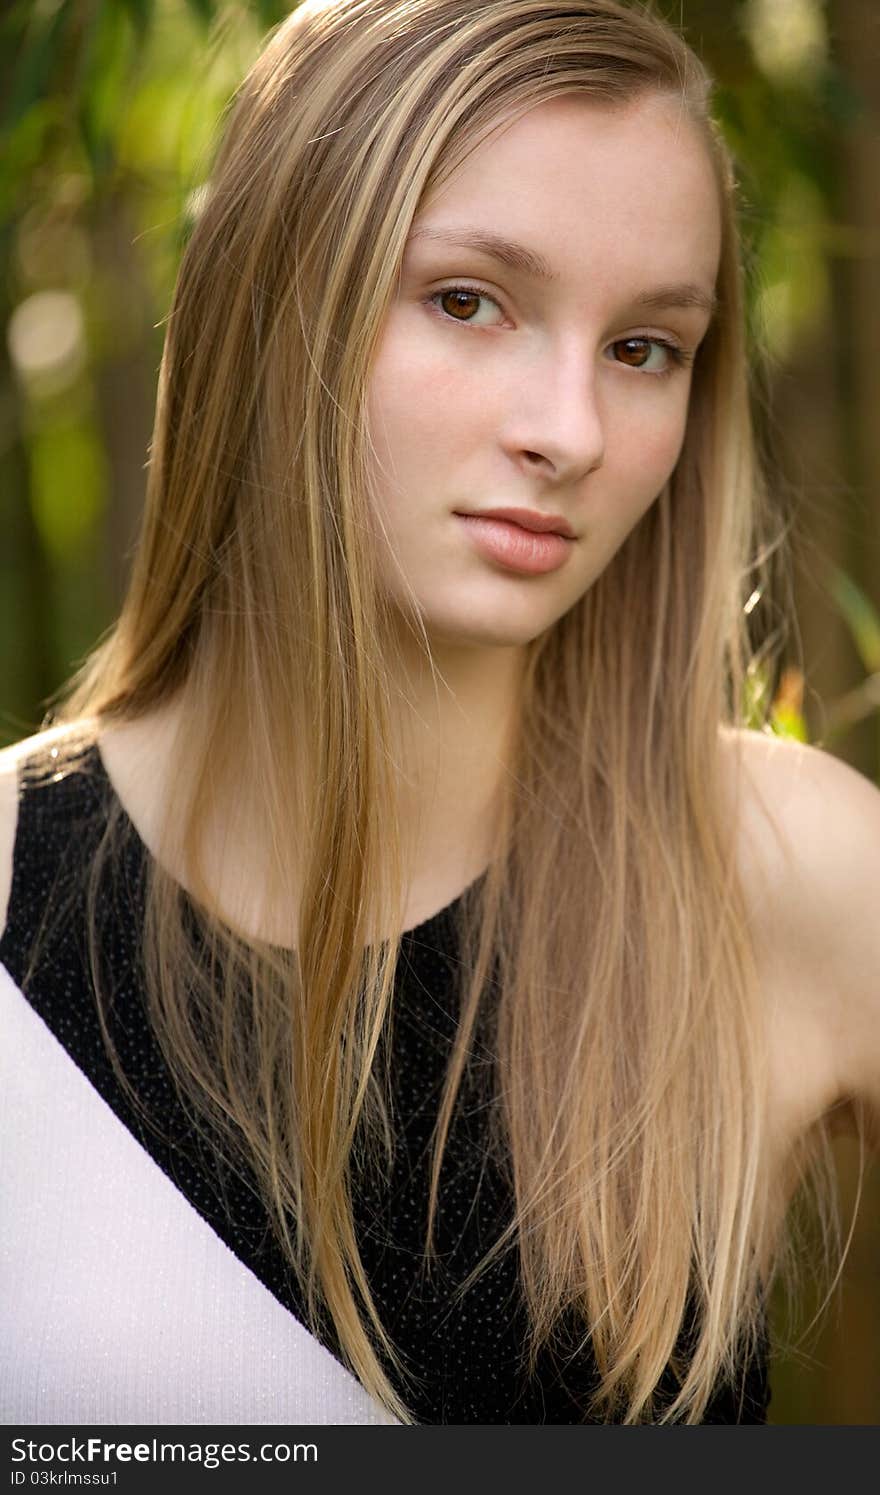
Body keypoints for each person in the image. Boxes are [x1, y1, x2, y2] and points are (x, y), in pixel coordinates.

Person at [1, 0, 878, 1428]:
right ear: (275, 302)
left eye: (646, 348)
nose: (573, 432)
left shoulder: (780, 871)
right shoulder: (3, 882)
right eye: (469, 300)